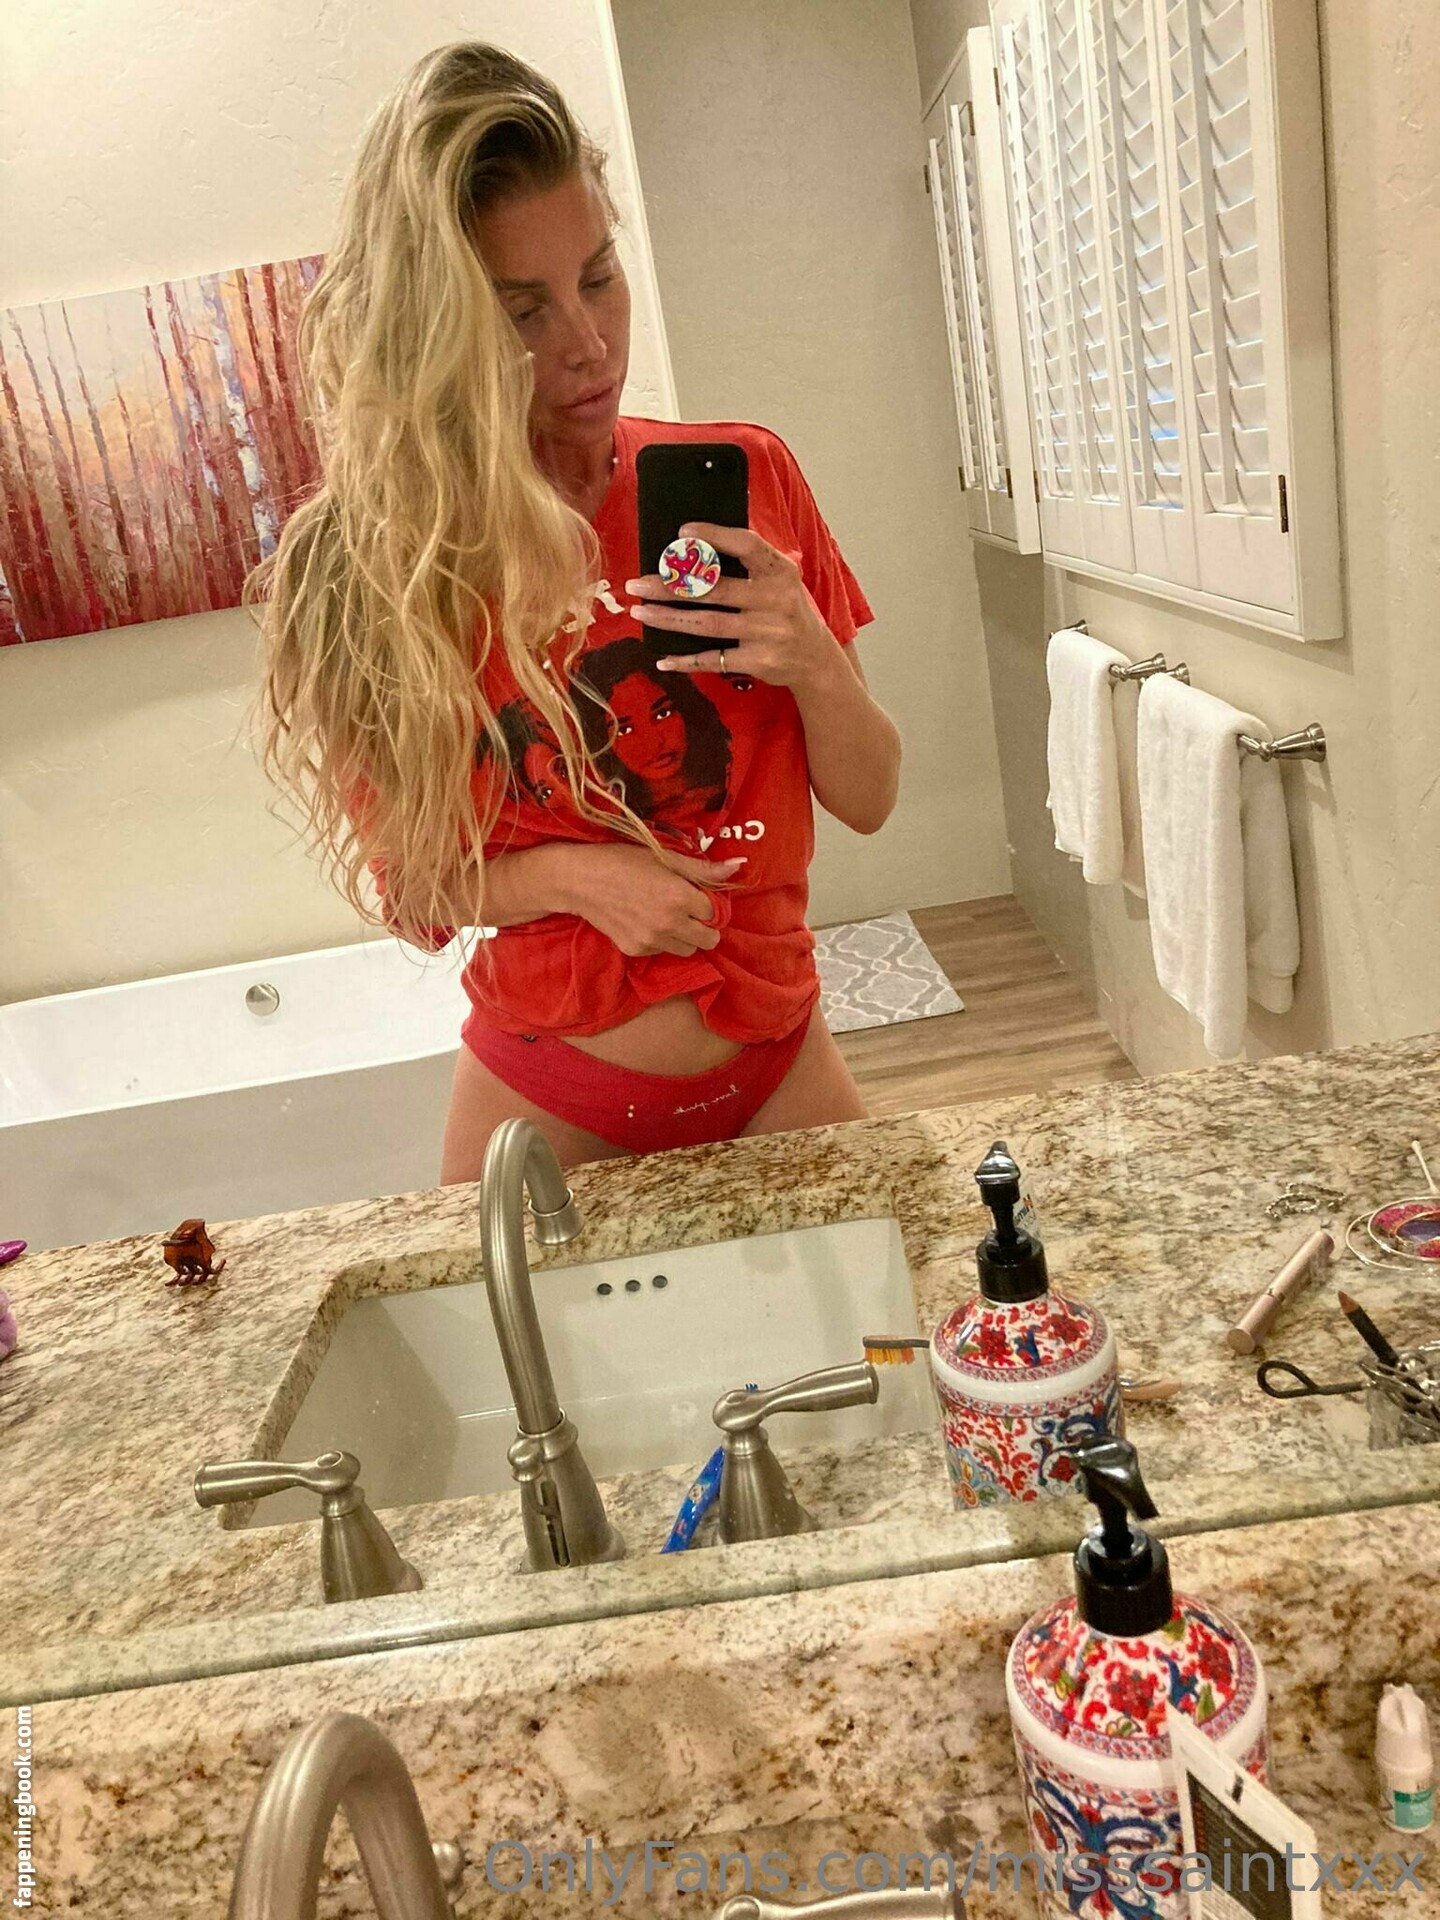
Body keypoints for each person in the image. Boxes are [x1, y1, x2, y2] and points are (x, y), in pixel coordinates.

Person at [249, 42, 903, 1176]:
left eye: (598, 277)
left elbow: (872, 796)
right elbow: (414, 889)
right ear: (437, 331)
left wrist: (812, 657)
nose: (589, 344)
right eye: (523, 311)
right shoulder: (382, 571)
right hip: (553, 1095)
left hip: (781, 1057)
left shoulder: (751, 473)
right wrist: (573, 877)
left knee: (899, 1293)